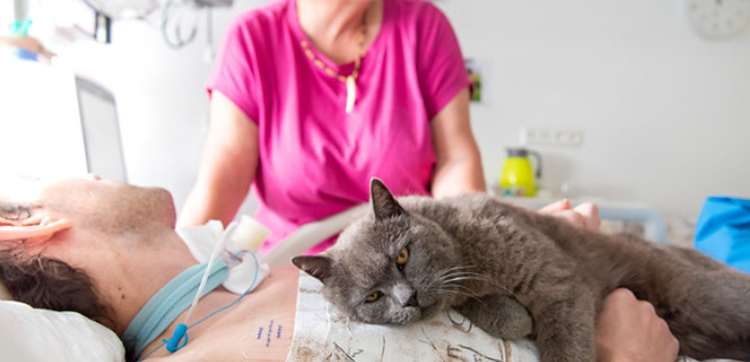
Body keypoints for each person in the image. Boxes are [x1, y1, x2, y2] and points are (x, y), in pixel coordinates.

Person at [0, 176, 678, 362]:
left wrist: (530, 244)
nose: (89, 170)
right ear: (25, 225)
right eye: (55, 179)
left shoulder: (237, 286)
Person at [178, 0, 486, 254]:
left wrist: (470, 250)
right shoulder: (251, 40)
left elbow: (457, 159)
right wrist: (173, 268)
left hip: (404, 265)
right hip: (291, 266)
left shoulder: (424, 28)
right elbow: (224, 177)